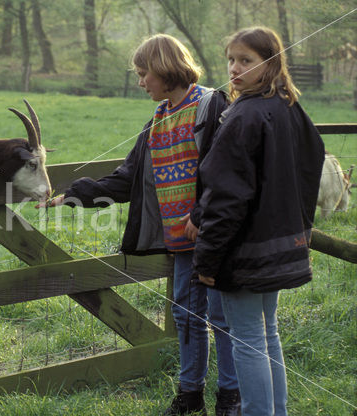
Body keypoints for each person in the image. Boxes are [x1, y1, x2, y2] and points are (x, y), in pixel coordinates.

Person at [39, 34, 240, 415]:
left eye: (144, 73)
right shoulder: (157, 120)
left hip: (215, 236)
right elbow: (127, 177)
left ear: (165, 68)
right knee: (185, 314)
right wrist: (77, 194)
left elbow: (226, 172)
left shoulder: (211, 105)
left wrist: (204, 217)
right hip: (181, 242)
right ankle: (190, 393)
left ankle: (231, 396)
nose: (141, 82)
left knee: (221, 315)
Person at [193, 27, 325, 416]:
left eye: (246, 60)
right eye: (231, 59)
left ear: (270, 63)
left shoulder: (245, 114)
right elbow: (311, 162)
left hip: (246, 252)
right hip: (280, 245)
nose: (234, 69)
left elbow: (226, 198)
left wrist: (207, 259)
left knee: (249, 339)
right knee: (266, 334)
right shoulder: (286, 106)